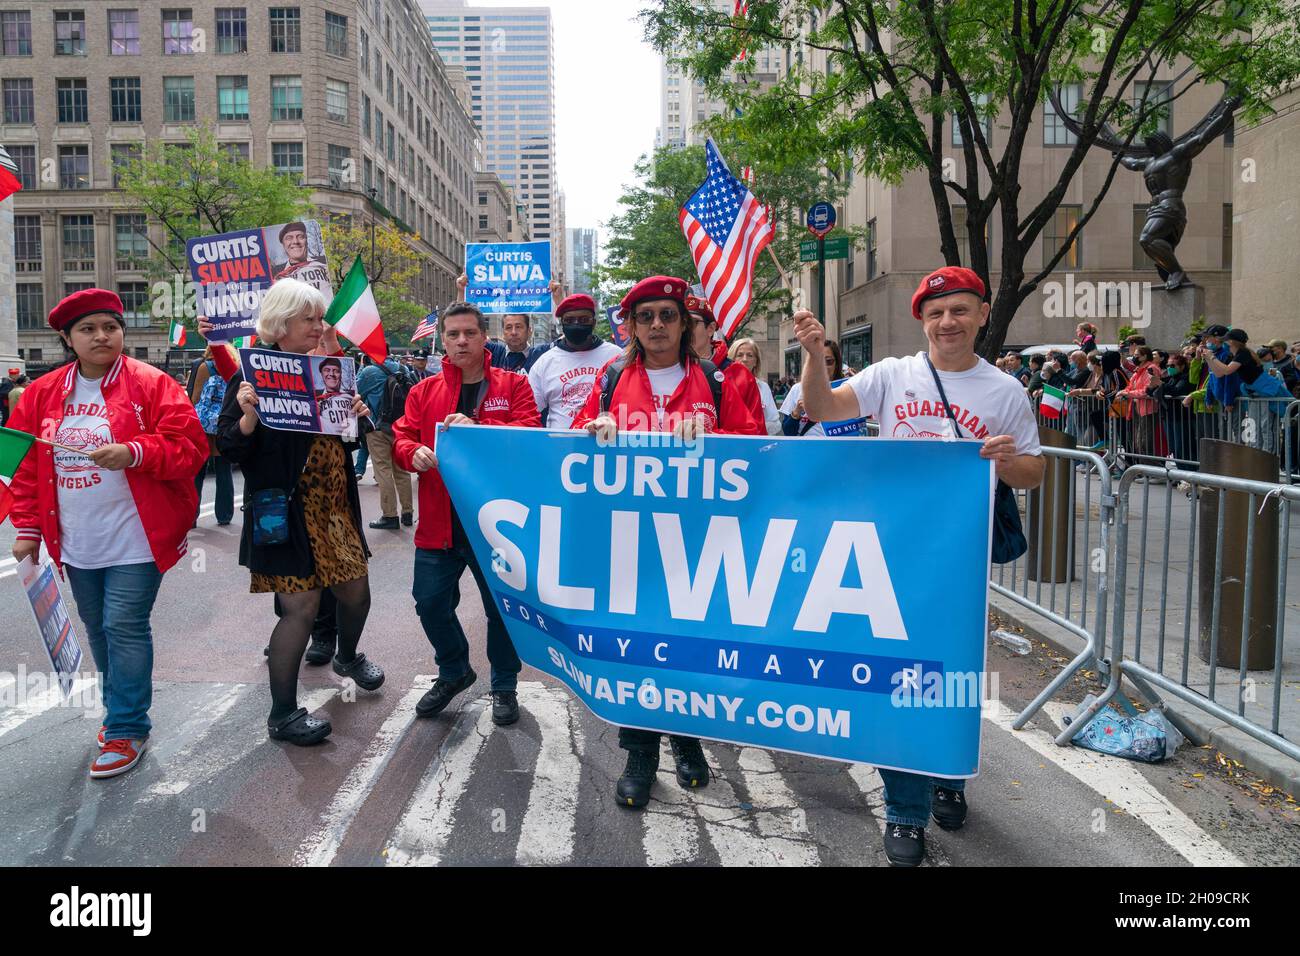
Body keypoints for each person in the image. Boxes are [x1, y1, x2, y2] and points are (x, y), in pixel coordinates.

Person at [793, 265, 1044, 866]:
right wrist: (812, 354)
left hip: (959, 561)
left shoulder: (1006, 393)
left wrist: (1008, 463)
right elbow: (821, 409)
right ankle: (905, 811)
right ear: (921, 321)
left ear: (982, 313)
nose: (946, 322)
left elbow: (1034, 472)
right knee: (898, 676)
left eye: (958, 310)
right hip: (892, 552)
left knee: (952, 674)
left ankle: (948, 777)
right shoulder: (893, 375)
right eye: (935, 313)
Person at [571, 275, 761, 809]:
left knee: (689, 653)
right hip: (629, 546)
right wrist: (594, 427)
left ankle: (687, 740)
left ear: (684, 322)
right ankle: (638, 754)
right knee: (634, 652)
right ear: (630, 326)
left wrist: (714, 441)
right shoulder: (610, 379)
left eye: (668, 315)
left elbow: (753, 447)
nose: (657, 325)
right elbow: (574, 442)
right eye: (646, 316)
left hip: (699, 546)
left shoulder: (716, 380)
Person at [8, 289, 207, 778]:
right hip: (76, 539)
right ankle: (120, 709)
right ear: (67, 338)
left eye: (110, 327)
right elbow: (23, 464)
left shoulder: (152, 384)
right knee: (97, 627)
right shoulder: (41, 392)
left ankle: (126, 728)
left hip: (137, 537)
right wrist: (28, 527)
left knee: (123, 624)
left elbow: (191, 448)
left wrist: (135, 452)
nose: (102, 336)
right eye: (88, 329)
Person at [216, 278, 385, 746]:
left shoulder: (331, 370)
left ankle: (347, 657)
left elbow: (352, 435)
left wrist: (356, 413)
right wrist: (249, 415)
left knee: (356, 594)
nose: (318, 326)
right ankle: (283, 713)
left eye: (318, 318)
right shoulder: (249, 375)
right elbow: (229, 446)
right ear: (280, 323)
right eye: (308, 318)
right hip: (286, 514)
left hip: (334, 508)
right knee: (301, 610)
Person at [391, 301, 540, 726]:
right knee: (430, 602)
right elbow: (401, 435)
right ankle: (454, 669)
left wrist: (483, 432)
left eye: (469, 333)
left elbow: (531, 433)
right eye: (453, 334)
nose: (460, 341)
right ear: (443, 339)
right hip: (440, 522)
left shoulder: (513, 385)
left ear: (483, 337)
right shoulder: (424, 391)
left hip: (498, 525)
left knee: (501, 610)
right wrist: (411, 450)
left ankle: (504, 685)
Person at [527, 292, 622, 429]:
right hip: (560, 446)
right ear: (562, 324)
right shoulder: (545, 362)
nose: (576, 325)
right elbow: (530, 411)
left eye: (583, 320)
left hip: (605, 444)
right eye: (570, 321)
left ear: (593, 322)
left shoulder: (616, 356)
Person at [355, 347, 415, 529]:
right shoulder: (402, 368)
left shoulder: (369, 372)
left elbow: (355, 393)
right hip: (400, 427)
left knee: (383, 471)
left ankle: (390, 516)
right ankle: (407, 513)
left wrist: (362, 368)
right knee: (402, 472)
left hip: (378, 428)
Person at [687, 295, 764, 433]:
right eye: (680, 323)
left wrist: (709, 436)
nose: (684, 330)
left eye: (691, 323)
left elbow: (756, 435)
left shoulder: (740, 375)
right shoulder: (668, 370)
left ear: (710, 329)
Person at [189, 346, 235, 527]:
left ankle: (191, 518)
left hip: (204, 429)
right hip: (225, 425)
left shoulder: (205, 367)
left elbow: (195, 398)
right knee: (224, 471)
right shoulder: (235, 369)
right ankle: (224, 516)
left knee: (197, 473)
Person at [780, 340, 846, 435]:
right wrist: (797, 412)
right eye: (818, 361)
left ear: (837, 363)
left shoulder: (846, 388)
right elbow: (788, 432)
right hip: (806, 448)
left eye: (828, 361)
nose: (823, 366)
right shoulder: (798, 389)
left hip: (838, 448)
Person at [730, 337, 781, 434]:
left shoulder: (763, 387)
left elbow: (776, 424)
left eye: (750, 355)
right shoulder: (722, 385)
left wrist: (754, 428)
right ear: (732, 359)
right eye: (739, 355)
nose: (745, 359)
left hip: (756, 443)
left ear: (756, 362)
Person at [1120, 345, 1162, 459]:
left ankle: (1151, 472)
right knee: (1138, 442)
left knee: (1145, 442)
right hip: (1136, 408)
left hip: (1148, 410)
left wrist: (1128, 394)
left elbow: (1147, 391)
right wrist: (1123, 392)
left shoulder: (1151, 369)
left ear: (1144, 357)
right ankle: (1143, 471)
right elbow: (1130, 386)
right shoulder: (1137, 371)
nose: (1134, 358)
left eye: (1136, 355)